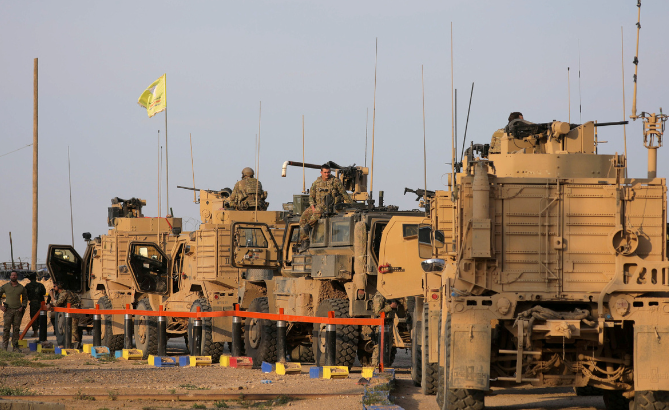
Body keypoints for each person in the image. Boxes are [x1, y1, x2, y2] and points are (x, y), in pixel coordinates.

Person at [298, 164, 353, 245]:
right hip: (317, 206)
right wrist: (312, 207)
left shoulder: (335, 182)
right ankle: (305, 240)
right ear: (321, 172)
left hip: (330, 206)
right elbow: (311, 197)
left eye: (328, 172)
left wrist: (352, 205)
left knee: (319, 210)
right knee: (303, 218)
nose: (327, 174)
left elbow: (344, 194)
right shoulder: (316, 183)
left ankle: (309, 226)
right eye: (325, 172)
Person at [369, 292, 404, 367]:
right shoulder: (379, 296)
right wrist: (390, 307)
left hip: (389, 324)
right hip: (381, 324)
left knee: (388, 345)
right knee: (379, 345)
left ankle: (385, 365)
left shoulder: (390, 295)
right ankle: (375, 365)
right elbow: (378, 312)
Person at [46, 282, 82, 347]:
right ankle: (72, 344)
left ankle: (75, 344)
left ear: (58, 287)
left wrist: (52, 296)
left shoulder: (64, 293)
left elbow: (57, 304)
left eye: (54, 286)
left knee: (73, 330)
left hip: (73, 313)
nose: (53, 288)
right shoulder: (68, 292)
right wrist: (50, 303)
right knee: (70, 329)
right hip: (73, 312)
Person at [0, 271, 28, 351]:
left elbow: (25, 298)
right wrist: (1, 306)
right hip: (8, 310)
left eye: (15, 275)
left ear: (17, 276)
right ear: (10, 276)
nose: (13, 276)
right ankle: (4, 347)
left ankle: (15, 347)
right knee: (6, 329)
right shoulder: (5, 286)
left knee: (16, 329)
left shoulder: (21, 288)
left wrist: (23, 306)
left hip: (17, 311)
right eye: (12, 275)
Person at [24, 273, 46, 337]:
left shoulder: (28, 286)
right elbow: (44, 293)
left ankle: (35, 332)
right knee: (40, 317)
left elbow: (24, 293)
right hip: (40, 303)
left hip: (33, 303)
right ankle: (41, 332)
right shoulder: (40, 285)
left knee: (33, 317)